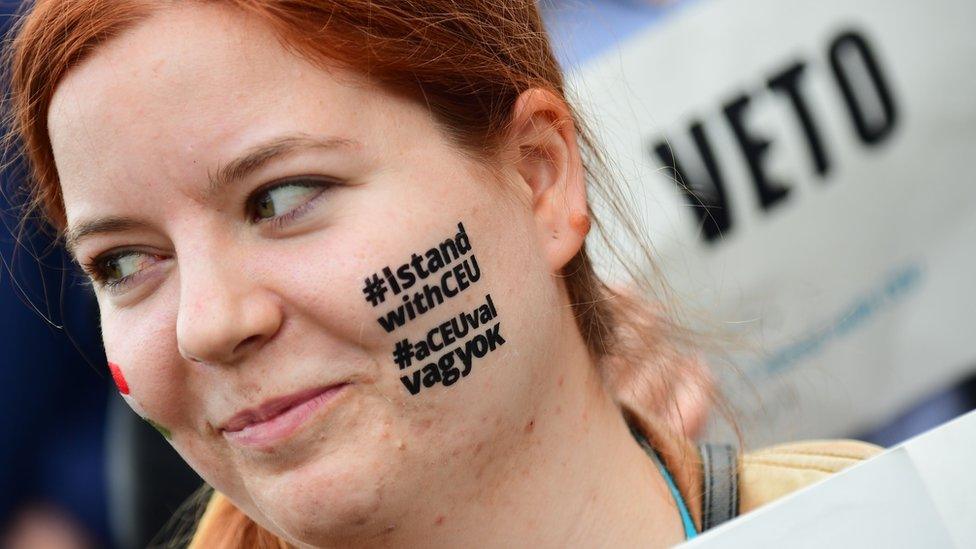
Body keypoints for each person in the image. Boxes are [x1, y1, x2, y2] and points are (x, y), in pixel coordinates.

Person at [5, 1, 879, 547]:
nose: (206, 322)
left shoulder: (916, 516)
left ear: (539, 176)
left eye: (283, 197)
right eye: (122, 262)